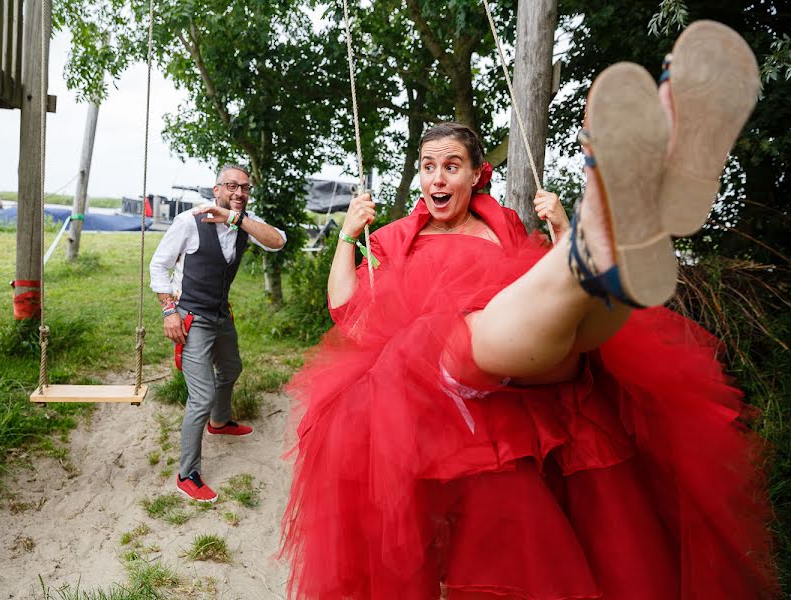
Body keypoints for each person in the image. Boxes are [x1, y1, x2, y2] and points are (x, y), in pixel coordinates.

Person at [281, 22, 777, 599]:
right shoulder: (395, 237)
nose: (437, 177)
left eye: (451, 165)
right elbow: (347, 310)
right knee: (475, 336)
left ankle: (603, 242)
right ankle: (598, 239)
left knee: (579, 339)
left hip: (538, 371)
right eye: (427, 165)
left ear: (475, 175)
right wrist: (348, 235)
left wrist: (558, 226)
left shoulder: (504, 225)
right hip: (448, 374)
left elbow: (535, 290)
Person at [149, 163, 286, 503]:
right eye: (231, 186)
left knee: (232, 369)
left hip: (221, 313)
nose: (238, 193)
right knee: (202, 395)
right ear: (216, 190)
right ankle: (187, 473)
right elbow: (158, 265)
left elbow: (278, 242)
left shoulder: (244, 223)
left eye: (244, 188)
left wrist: (235, 218)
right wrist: (169, 311)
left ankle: (220, 423)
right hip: (191, 316)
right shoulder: (189, 222)